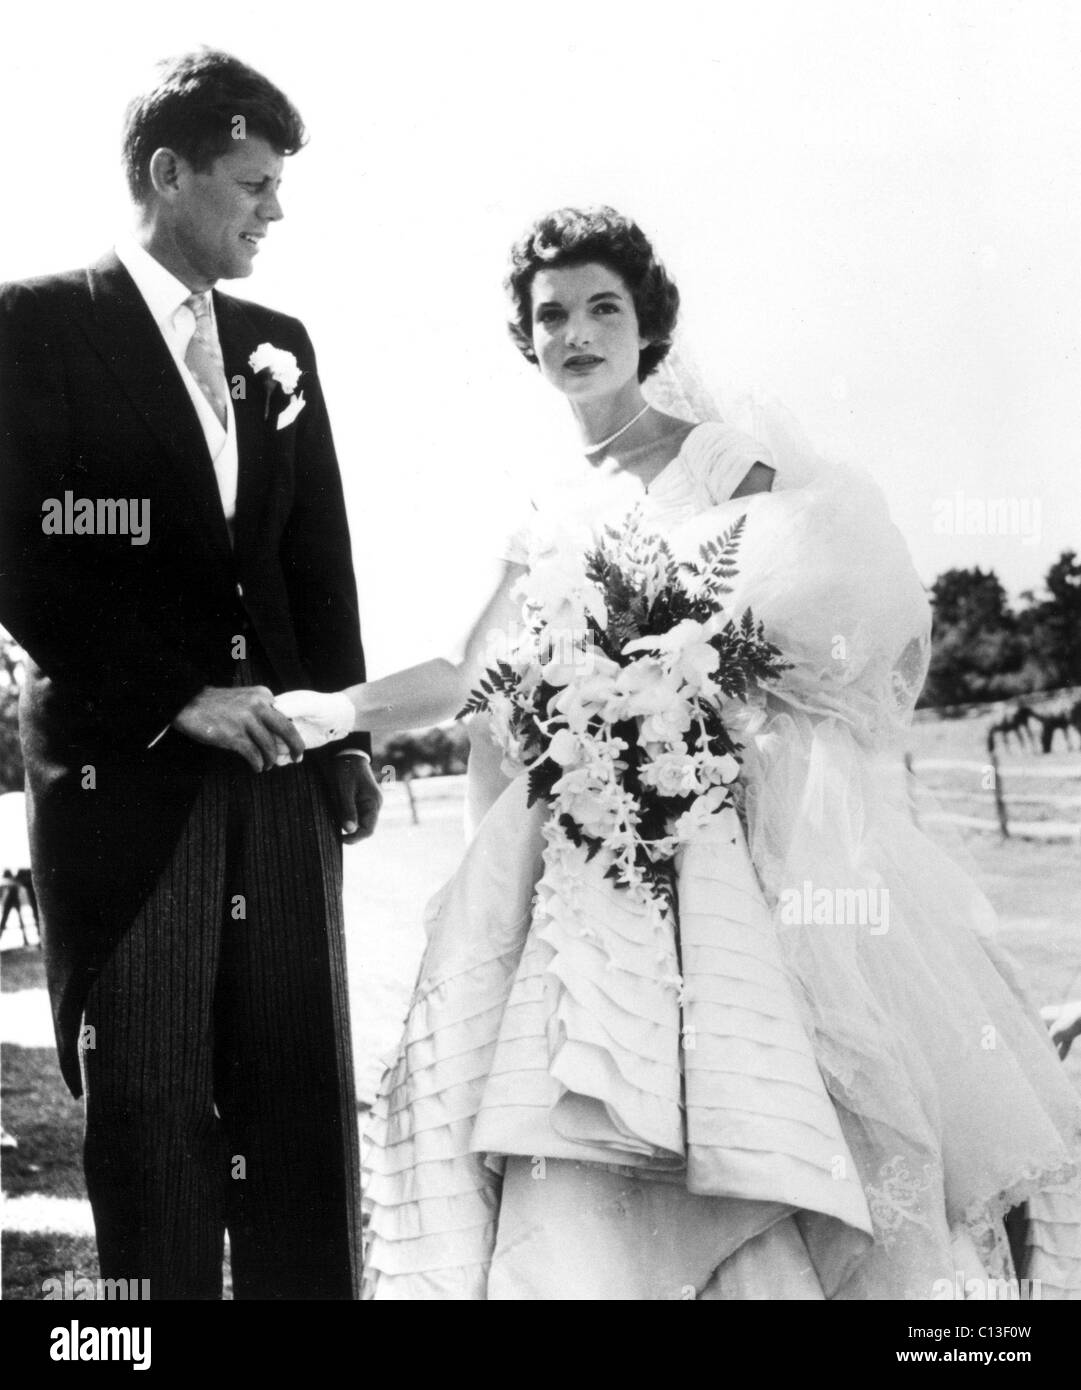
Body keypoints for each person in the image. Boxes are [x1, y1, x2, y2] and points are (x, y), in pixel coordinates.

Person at [282, 205, 1081, 1300]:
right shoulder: (545, 511)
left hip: (720, 836)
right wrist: (330, 711)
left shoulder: (716, 460)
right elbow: (475, 674)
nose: (576, 332)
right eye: (550, 314)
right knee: (598, 1125)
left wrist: (675, 695)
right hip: (590, 858)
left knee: (751, 1109)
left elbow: (817, 623)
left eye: (601, 307)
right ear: (527, 339)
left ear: (646, 323)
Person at [0, 49, 381, 1299]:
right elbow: (23, 553)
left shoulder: (282, 345)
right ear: (169, 174)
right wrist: (177, 693)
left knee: (297, 1121)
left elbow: (315, 562)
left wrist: (351, 736)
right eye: (252, 183)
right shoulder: (37, 322)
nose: (274, 210)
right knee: (155, 1118)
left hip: (281, 779)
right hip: (132, 783)